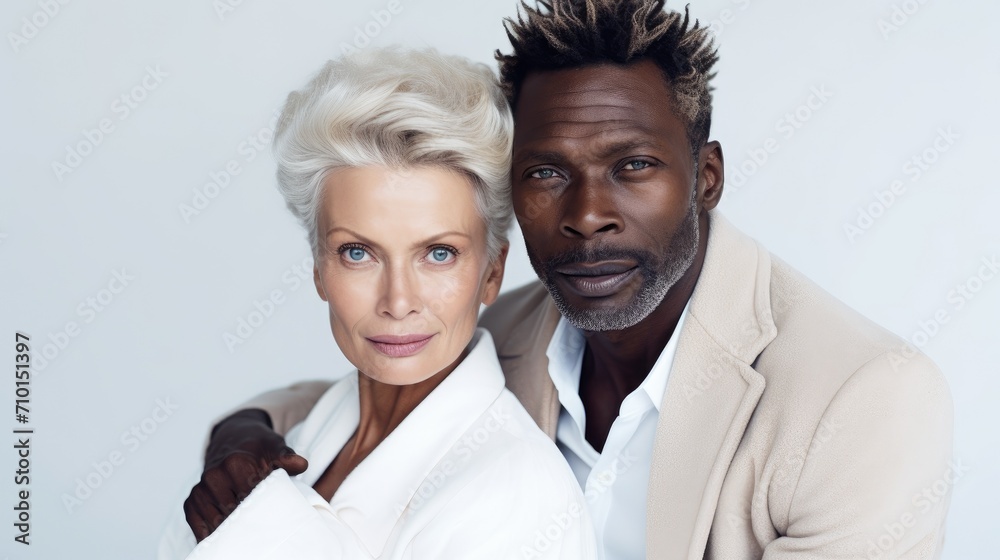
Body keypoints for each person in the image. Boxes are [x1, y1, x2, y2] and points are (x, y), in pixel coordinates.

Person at [189, 1, 954, 558]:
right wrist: (243, 430)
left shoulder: (865, 399)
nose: (588, 216)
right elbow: (358, 392)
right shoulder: (503, 324)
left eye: (633, 166)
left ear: (707, 177)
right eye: (548, 172)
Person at [161, 47, 597, 559]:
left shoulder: (518, 500)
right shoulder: (304, 431)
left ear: (492, 273)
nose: (398, 301)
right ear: (318, 268)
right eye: (357, 252)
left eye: (439, 253)